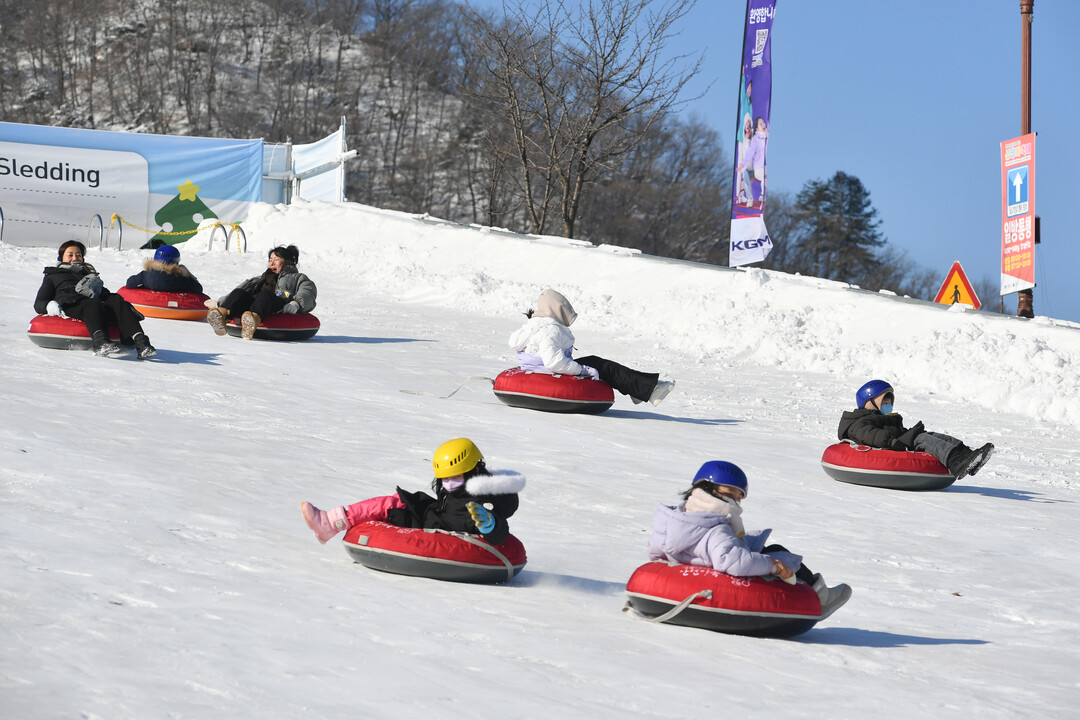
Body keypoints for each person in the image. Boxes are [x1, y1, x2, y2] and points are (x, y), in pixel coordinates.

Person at [648, 460, 851, 618]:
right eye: (734, 494)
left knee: (758, 544)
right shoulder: (716, 528)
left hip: (697, 562)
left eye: (740, 496)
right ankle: (818, 596)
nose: (737, 501)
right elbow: (733, 562)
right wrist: (774, 566)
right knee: (778, 552)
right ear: (711, 488)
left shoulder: (676, 518)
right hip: (724, 575)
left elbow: (655, 552)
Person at [301, 438, 525, 547]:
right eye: (444, 479)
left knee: (395, 509)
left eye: (455, 477)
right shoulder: (459, 489)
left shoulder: (485, 498)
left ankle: (331, 524)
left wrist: (490, 524)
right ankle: (330, 522)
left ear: (474, 470)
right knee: (394, 502)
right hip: (433, 518)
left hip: (439, 531)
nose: (448, 484)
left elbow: (499, 532)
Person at [508, 288, 675, 406]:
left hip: (540, 369)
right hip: (548, 371)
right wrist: (581, 370)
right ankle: (650, 390)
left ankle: (638, 390)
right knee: (602, 366)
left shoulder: (533, 326)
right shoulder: (550, 330)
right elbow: (553, 362)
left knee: (597, 363)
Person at [839, 380, 994, 480]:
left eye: (889, 400)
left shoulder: (885, 418)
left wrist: (909, 432)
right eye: (884, 400)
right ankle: (956, 462)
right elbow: (872, 436)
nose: (888, 404)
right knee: (922, 439)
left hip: (897, 442)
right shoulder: (859, 421)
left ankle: (968, 455)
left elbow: (895, 431)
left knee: (929, 435)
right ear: (869, 402)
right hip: (893, 445)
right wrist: (896, 440)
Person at [33, 240, 157, 359]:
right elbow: (39, 301)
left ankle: (142, 344)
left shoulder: (88, 275)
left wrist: (123, 307)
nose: (75, 258)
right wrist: (49, 305)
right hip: (71, 304)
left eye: (78, 255)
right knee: (92, 303)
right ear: (61, 259)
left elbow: (105, 294)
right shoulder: (53, 276)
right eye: (70, 255)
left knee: (116, 300)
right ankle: (101, 344)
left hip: (94, 305)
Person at [206, 244, 317, 340]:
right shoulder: (259, 279)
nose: (272, 263)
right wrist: (220, 302)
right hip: (255, 304)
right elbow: (238, 294)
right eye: (270, 260)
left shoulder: (298, 278)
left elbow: (308, 292)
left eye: (276, 259)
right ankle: (222, 315)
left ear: (287, 262)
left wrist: (295, 304)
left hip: (279, 306)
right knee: (240, 292)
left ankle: (253, 320)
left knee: (265, 294)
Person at [125, 245, 204, 294]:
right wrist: (187, 274)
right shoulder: (181, 278)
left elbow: (129, 283)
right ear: (175, 262)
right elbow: (198, 289)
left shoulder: (146, 274)